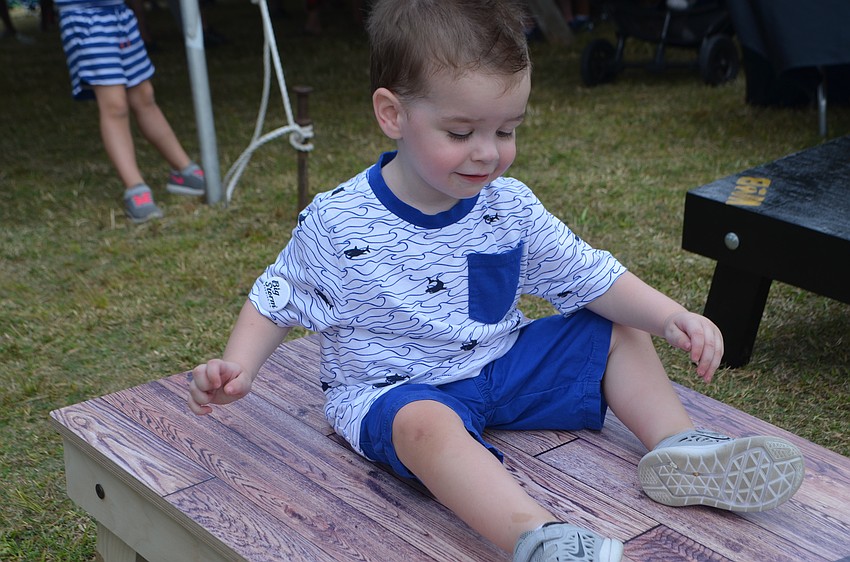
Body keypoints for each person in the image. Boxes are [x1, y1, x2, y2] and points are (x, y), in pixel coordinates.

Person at [187, 1, 805, 560]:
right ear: (392, 114)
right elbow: (279, 296)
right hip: (395, 390)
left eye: (506, 130)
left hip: (502, 364)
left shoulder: (508, 205)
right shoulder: (339, 220)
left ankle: (678, 447)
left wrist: (671, 316)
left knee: (613, 327)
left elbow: (587, 275)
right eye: (462, 133)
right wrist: (238, 367)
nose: (488, 152)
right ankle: (541, 538)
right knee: (428, 428)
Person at [56, 0, 206, 223]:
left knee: (144, 95)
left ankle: (182, 170)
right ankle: (135, 187)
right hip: (85, 17)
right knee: (114, 103)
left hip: (119, 14)